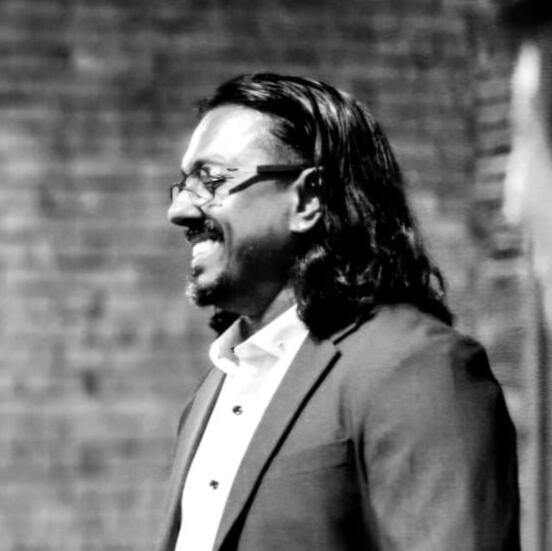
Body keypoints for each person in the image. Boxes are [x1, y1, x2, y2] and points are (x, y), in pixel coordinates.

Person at [157, 73, 520, 551]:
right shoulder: (214, 387)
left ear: (308, 199)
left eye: (212, 180)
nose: (180, 211)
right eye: (185, 184)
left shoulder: (417, 368)